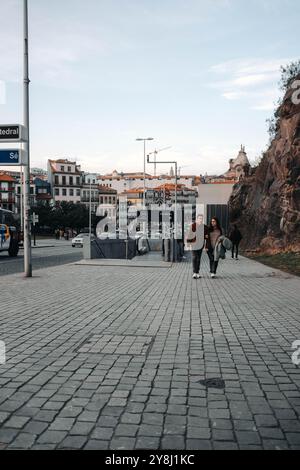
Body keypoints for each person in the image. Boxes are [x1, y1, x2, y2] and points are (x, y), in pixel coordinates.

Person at [186, 214, 208, 279]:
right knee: (194, 257)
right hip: (194, 244)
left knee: (198, 259)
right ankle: (194, 272)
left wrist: (206, 245)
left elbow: (206, 237)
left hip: (201, 245)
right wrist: (188, 245)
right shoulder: (193, 226)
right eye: (199, 218)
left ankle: (197, 272)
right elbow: (189, 234)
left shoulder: (205, 227)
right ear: (197, 219)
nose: (200, 220)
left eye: (201, 218)